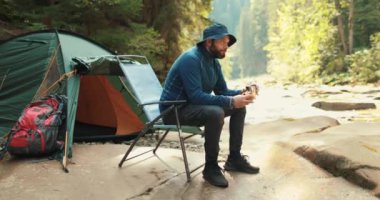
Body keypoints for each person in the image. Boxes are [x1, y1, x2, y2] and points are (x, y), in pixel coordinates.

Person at [159, 23, 259, 188]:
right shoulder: (190, 60)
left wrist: (242, 93)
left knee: (239, 107)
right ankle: (210, 167)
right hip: (174, 111)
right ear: (209, 43)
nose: (226, 46)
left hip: (192, 107)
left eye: (227, 43)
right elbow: (196, 96)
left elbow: (222, 91)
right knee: (215, 113)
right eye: (223, 42)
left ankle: (234, 158)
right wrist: (231, 101)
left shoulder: (213, 62)